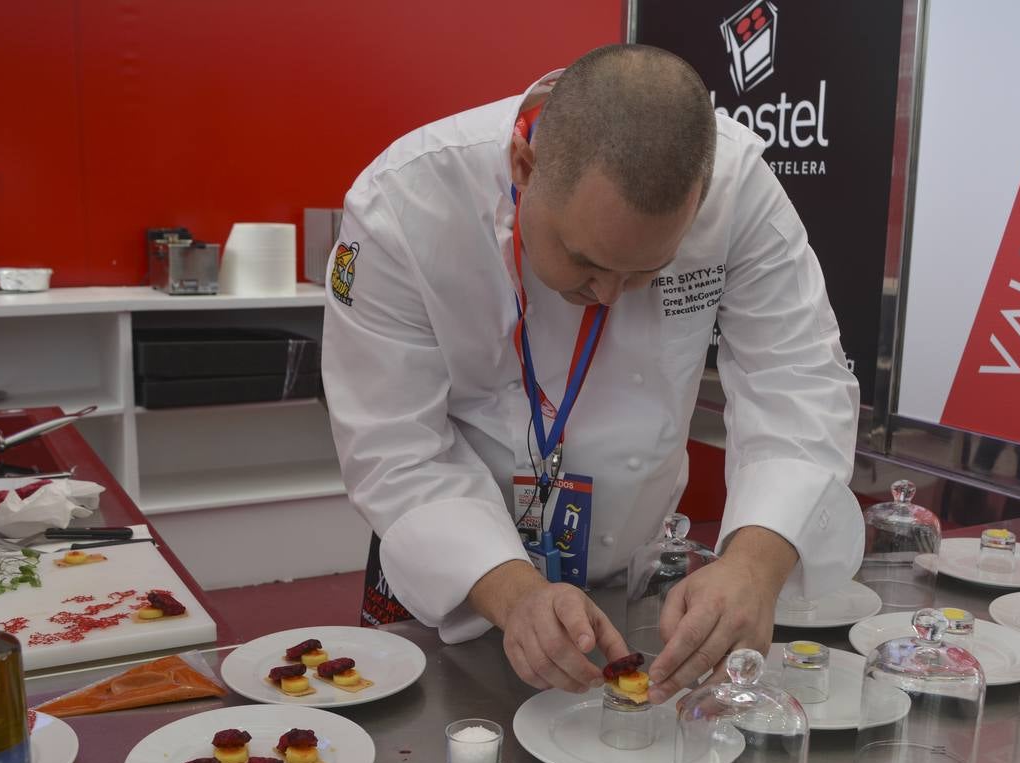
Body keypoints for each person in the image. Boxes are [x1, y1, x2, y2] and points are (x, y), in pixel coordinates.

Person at [321, 44, 862, 704]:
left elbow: (798, 380)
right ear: (525, 166)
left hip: (630, 570)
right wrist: (513, 593)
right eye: (587, 262)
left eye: (645, 273)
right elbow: (392, 447)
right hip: (453, 566)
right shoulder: (402, 205)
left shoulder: (740, 186)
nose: (609, 294)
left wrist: (753, 565)